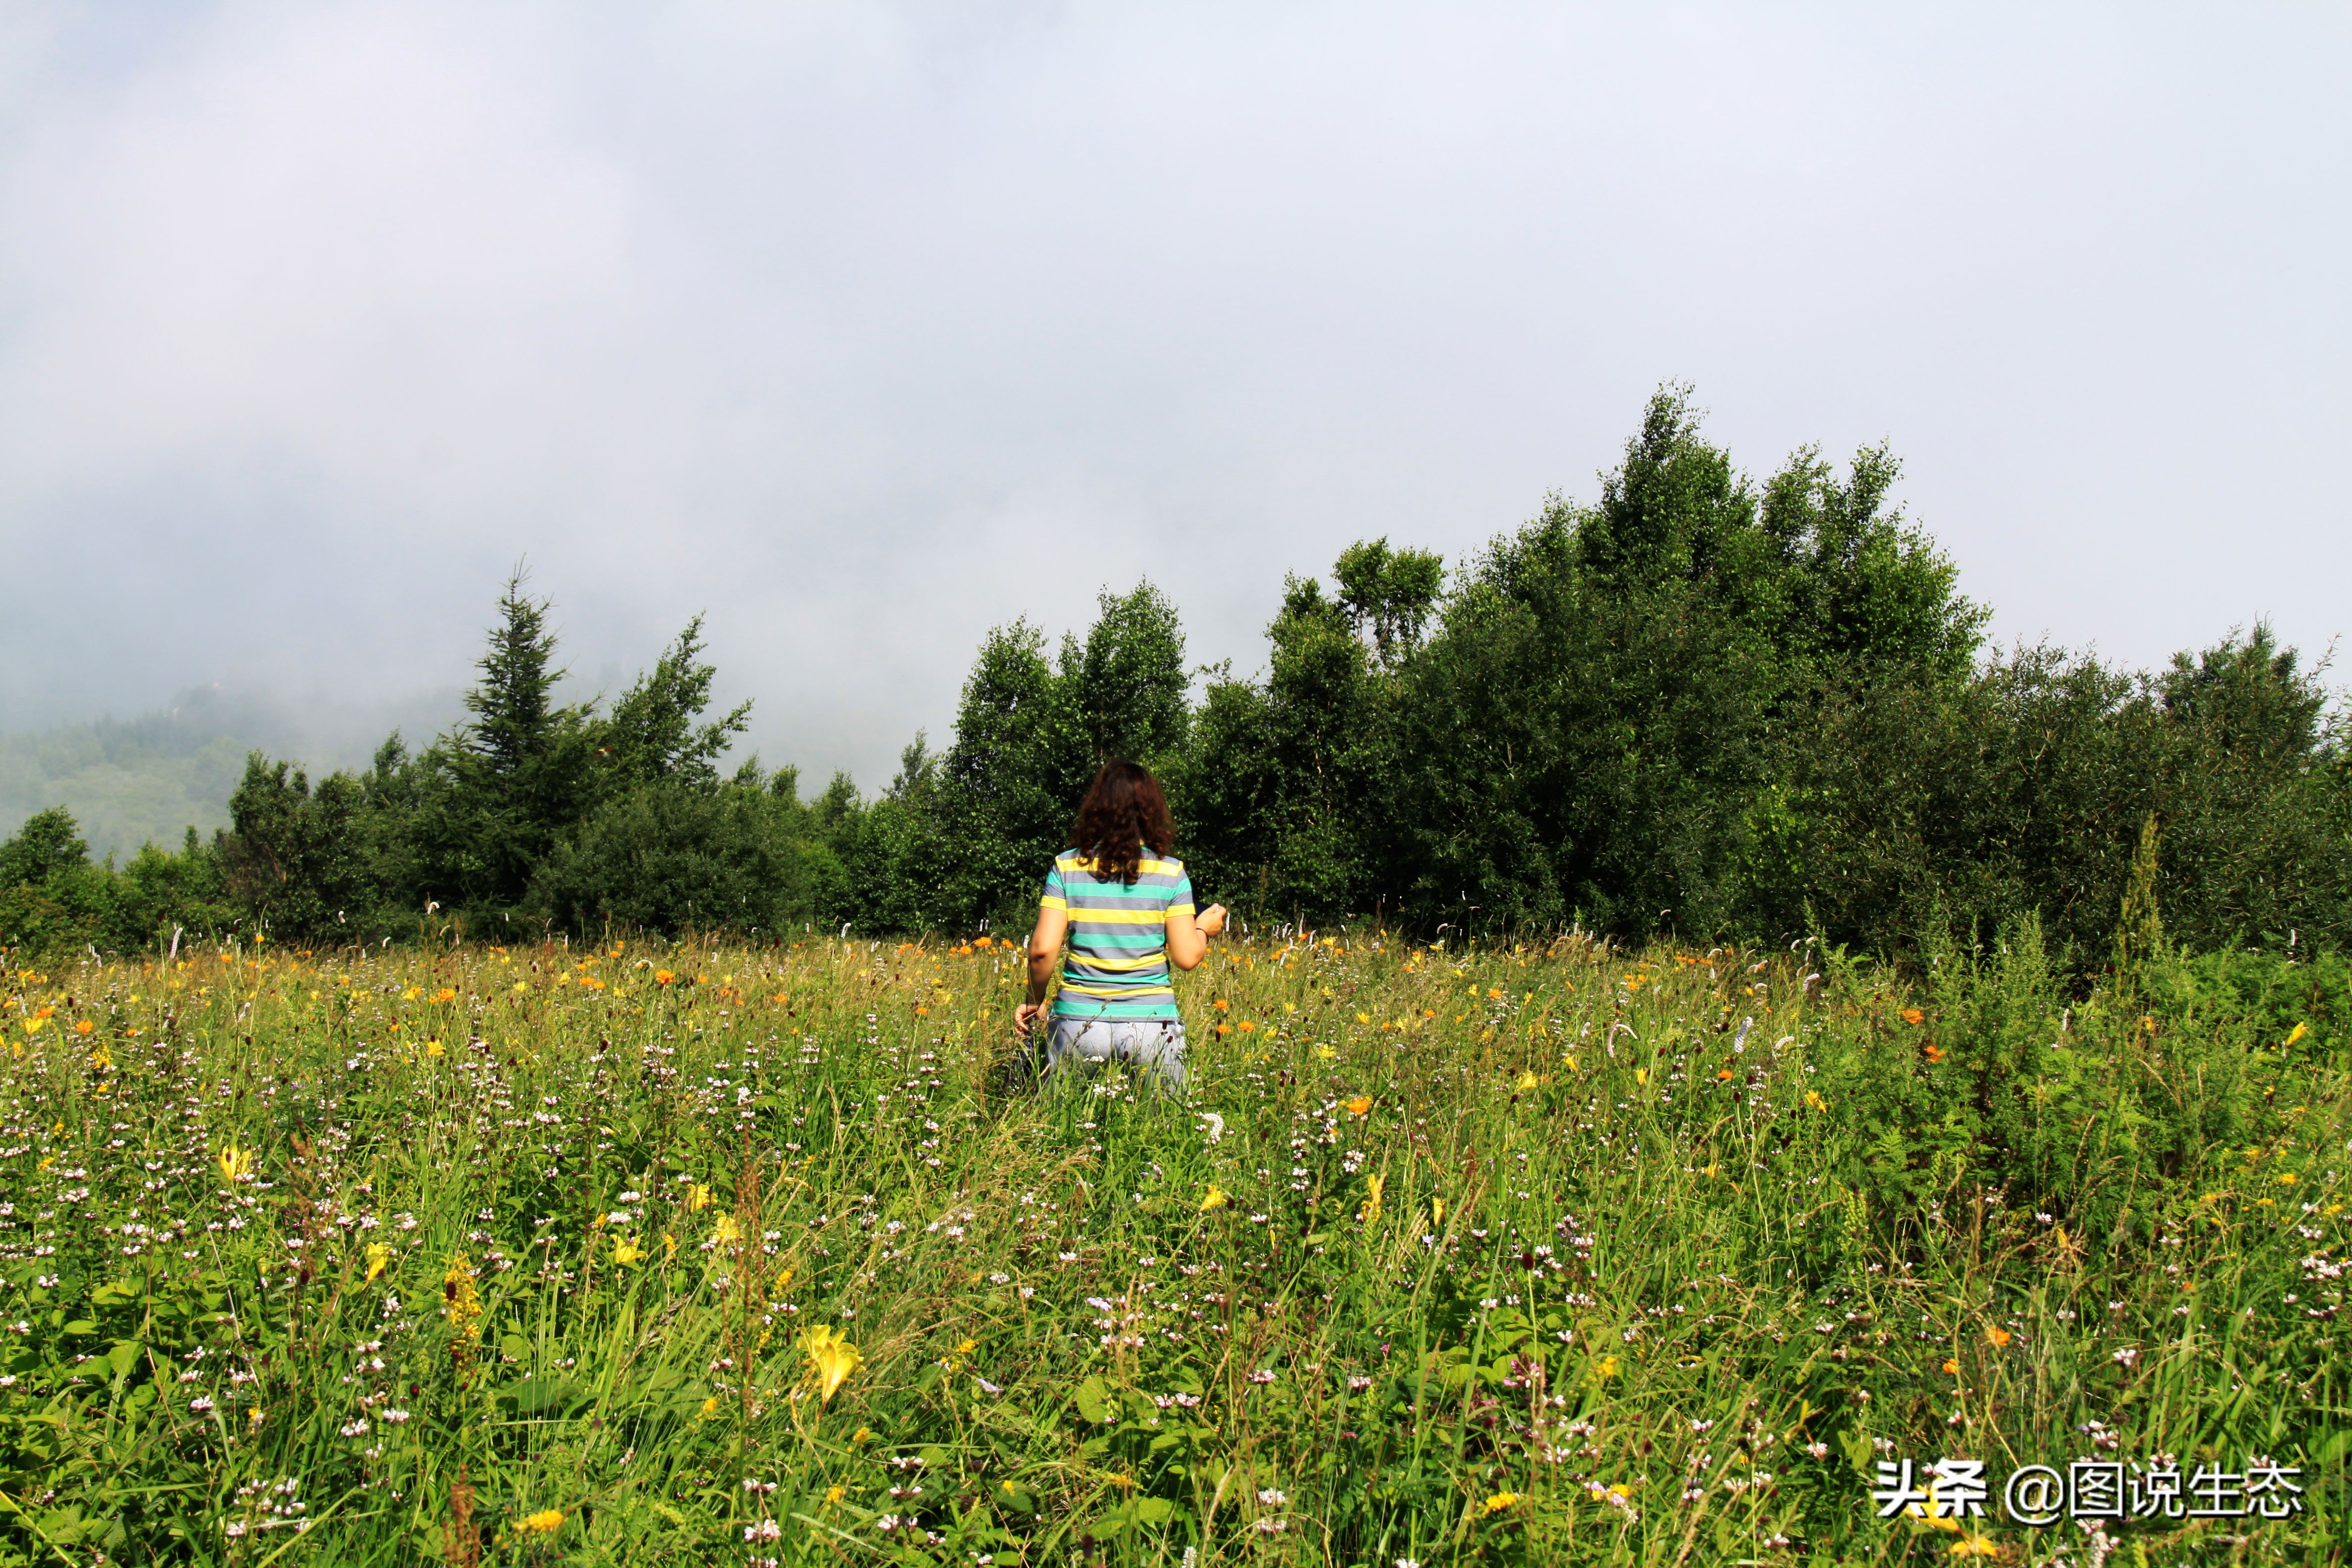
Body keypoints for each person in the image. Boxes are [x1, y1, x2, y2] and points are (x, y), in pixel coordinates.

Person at [1014, 760, 1226, 1089]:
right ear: (1152, 810)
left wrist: (1034, 999)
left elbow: (1042, 951)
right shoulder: (1172, 873)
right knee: (1168, 1133)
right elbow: (1187, 957)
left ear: (1097, 807)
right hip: (1154, 1026)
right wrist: (1203, 929)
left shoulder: (1066, 867)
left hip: (1077, 1022)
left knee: (1063, 1133)